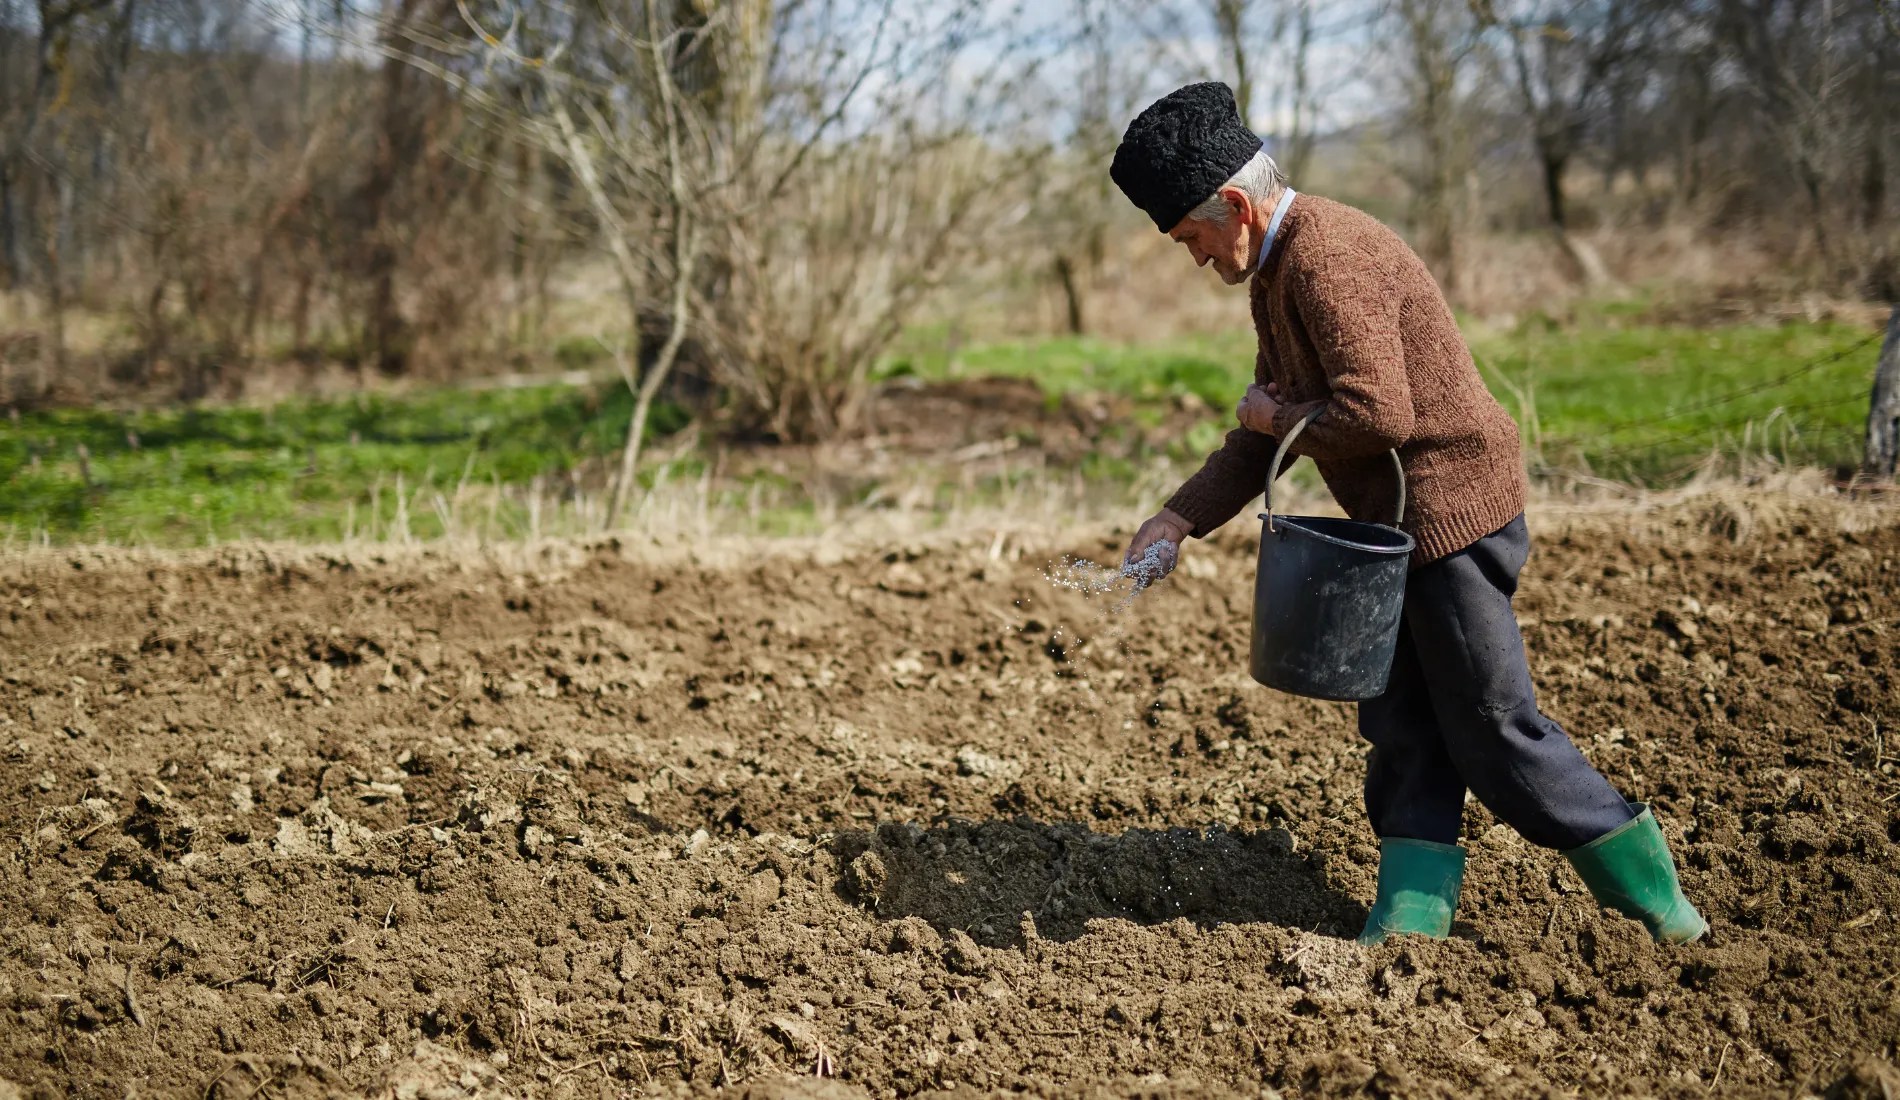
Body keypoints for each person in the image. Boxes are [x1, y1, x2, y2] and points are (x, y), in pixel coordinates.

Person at [1111, 82, 1707, 946]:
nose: (1195, 258)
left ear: (1235, 205)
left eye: (1189, 237)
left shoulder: (1328, 258)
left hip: (1451, 521)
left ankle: (1663, 914)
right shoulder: (1277, 272)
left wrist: (1274, 420)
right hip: (1395, 532)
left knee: (1494, 729)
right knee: (1403, 726)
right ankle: (1410, 922)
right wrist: (1177, 519)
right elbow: (1273, 425)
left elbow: (1374, 413)